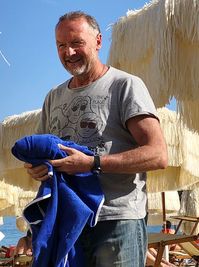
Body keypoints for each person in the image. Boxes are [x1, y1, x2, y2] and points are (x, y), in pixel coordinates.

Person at [16, 11, 168, 267]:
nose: (69, 52)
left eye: (76, 43)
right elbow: (46, 154)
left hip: (117, 220)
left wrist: (92, 163)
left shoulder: (125, 86)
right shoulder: (52, 97)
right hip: (68, 220)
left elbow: (158, 154)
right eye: (61, 45)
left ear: (98, 41)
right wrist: (37, 168)